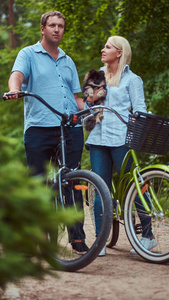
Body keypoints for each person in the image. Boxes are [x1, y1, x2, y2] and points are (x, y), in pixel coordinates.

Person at [4, 10, 88, 254]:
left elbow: (75, 97)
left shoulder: (68, 60)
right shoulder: (28, 54)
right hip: (39, 127)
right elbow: (17, 75)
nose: (56, 29)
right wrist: (14, 89)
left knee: (73, 182)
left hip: (70, 127)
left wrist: (92, 109)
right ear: (42, 29)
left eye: (60, 26)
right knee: (38, 183)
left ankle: (78, 239)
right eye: (52, 25)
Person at [85, 36, 157, 256]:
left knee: (134, 188)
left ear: (119, 52)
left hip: (121, 139)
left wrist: (141, 119)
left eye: (108, 47)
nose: (102, 49)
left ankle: (147, 236)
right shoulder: (97, 75)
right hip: (98, 138)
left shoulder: (132, 80)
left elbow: (141, 109)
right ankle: (100, 241)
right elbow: (89, 104)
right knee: (100, 189)